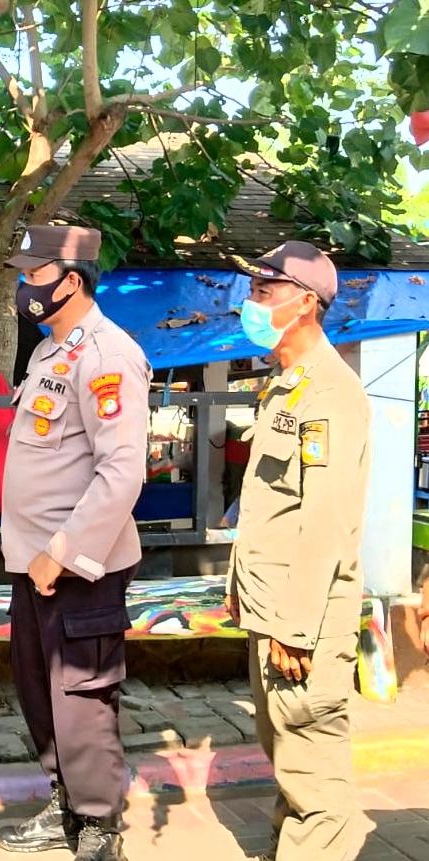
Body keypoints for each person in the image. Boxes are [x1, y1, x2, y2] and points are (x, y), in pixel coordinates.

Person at [0, 225, 150, 861]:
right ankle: (64, 805)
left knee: (82, 697)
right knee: (39, 689)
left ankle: (98, 828)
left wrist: (61, 552)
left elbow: (123, 470)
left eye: (34, 274)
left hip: (78, 565)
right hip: (33, 561)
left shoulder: (108, 355)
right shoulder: (48, 352)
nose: (23, 285)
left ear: (71, 281)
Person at [224, 241, 370, 861]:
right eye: (252, 291)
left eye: (265, 292)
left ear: (306, 303)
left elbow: (325, 518)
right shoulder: (287, 385)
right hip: (274, 607)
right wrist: (242, 585)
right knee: (287, 751)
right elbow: (272, 504)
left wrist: (296, 626)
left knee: (313, 770)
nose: (251, 303)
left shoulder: (329, 393)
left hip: (302, 616)